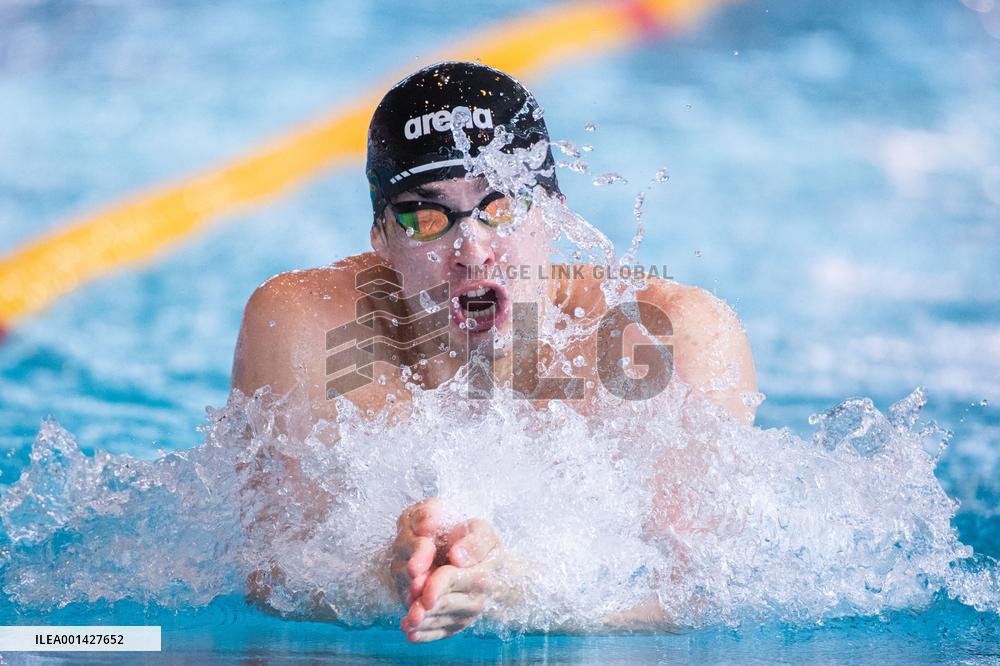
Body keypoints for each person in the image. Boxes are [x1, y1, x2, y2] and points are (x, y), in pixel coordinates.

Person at [231, 61, 758, 642]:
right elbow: (270, 575)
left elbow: (712, 595)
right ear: (381, 235)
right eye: (427, 217)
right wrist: (383, 578)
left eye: (502, 205)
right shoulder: (301, 325)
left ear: (555, 211)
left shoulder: (669, 337)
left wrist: (520, 592)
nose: (472, 250)